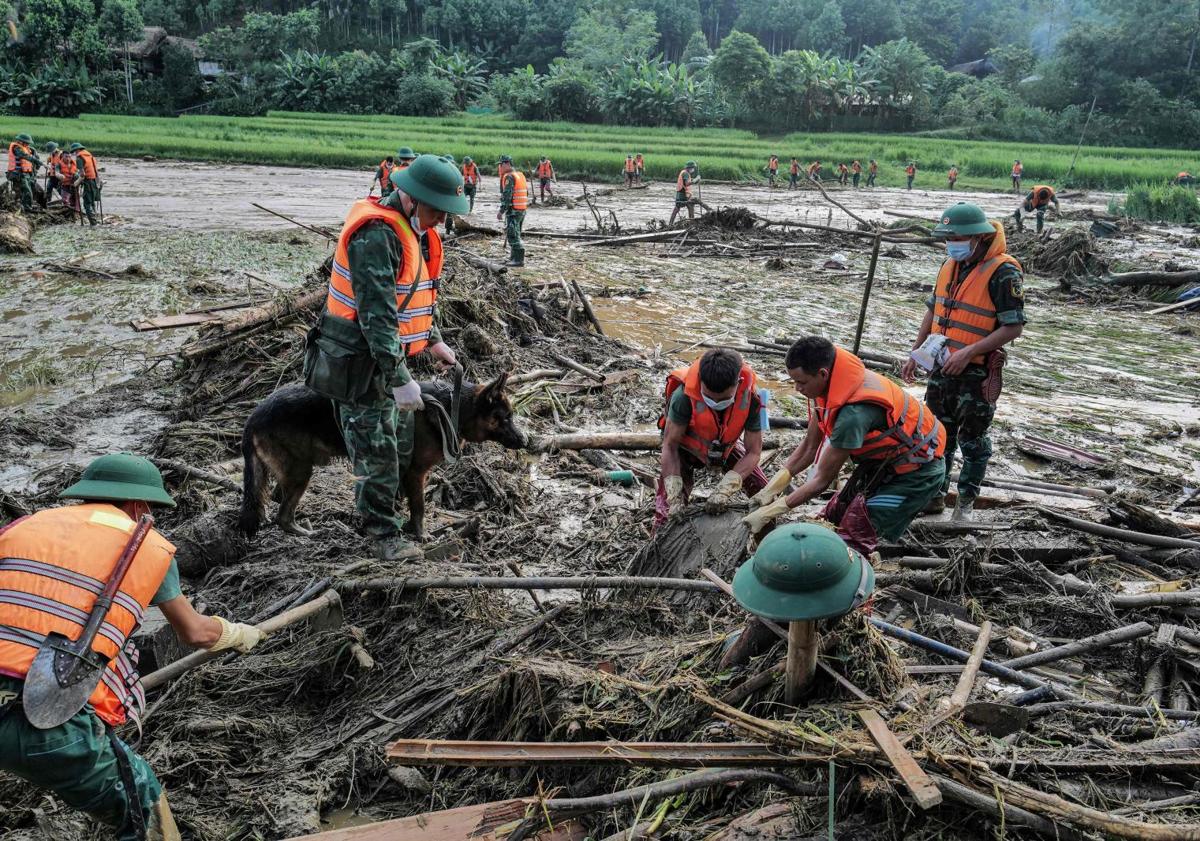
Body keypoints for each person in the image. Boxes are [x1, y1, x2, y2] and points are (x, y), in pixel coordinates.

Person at [0, 453, 264, 841]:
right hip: (41, 718)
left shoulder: (23, 528)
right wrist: (239, 633)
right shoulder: (142, 546)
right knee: (144, 806)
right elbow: (196, 632)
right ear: (140, 505)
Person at [304, 155, 468, 561]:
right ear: (411, 198)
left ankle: (393, 518)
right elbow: (376, 316)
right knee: (376, 451)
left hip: (387, 360)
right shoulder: (377, 235)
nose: (441, 222)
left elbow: (409, 297)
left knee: (399, 444)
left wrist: (432, 340)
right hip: (359, 366)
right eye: (436, 212)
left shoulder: (415, 232)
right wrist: (399, 377)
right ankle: (381, 536)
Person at [743, 338, 945, 550]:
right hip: (883, 463)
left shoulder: (853, 416)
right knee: (832, 516)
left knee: (852, 540)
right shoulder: (826, 387)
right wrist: (771, 488)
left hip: (918, 473)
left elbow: (821, 480)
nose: (797, 388)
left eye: (801, 382)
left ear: (822, 373)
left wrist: (772, 510)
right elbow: (809, 447)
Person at [900, 202, 1026, 521]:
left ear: (978, 237)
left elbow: (1013, 326)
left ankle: (966, 502)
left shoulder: (1003, 272)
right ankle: (935, 495)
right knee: (938, 434)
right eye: (948, 238)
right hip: (942, 366)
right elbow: (935, 309)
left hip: (977, 372)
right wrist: (916, 353)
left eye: (955, 237)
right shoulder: (949, 265)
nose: (950, 243)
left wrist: (969, 353)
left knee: (973, 440)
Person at [656, 348, 768, 527]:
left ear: (738, 383)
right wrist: (674, 494)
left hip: (725, 446)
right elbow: (670, 446)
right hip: (686, 447)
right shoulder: (683, 396)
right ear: (700, 380)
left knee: (764, 494)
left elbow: (754, 451)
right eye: (709, 398)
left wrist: (726, 489)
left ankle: (763, 544)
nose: (715, 404)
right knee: (666, 513)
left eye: (723, 399)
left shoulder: (753, 398)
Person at [496, 154, 527, 267]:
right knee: (516, 233)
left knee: (513, 235)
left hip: (514, 211)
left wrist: (501, 211)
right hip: (521, 209)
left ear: (507, 163)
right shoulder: (520, 175)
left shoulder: (509, 177)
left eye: (501, 164)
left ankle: (519, 260)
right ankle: (513, 258)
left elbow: (507, 195)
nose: (500, 167)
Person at [6, 133, 42, 212]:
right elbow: (25, 156)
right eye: (27, 142)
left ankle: (25, 205)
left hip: (26, 174)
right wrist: (37, 161)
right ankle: (27, 208)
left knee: (32, 190)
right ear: (21, 141)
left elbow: (31, 160)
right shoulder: (16, 148)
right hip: (18, 174)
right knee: (27, 191)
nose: (28, 144)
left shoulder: (27, 148)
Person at [69, 142, 100, 226]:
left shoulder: (79, 158)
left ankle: (93, 224)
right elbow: (96, 171)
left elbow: (82, 174)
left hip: (88, 182)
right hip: (94, 181)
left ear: (77, 150)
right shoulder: (90, 156)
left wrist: (76, 183)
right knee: (92, 202)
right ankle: (95, 220)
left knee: (87, 204)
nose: (74, 153)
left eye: (74, 151)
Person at [56, 146, 79, 212]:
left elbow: (80, 171)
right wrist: (59, 175)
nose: (68, 158)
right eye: (66, 157)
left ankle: (76, 212)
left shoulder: (74, 163)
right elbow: (56, 172)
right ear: (63, 156)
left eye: (69, 157)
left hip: (74, 184)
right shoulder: (59, 164)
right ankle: (67, 212)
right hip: (65, 184)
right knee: (65, 200)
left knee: (76, 201)